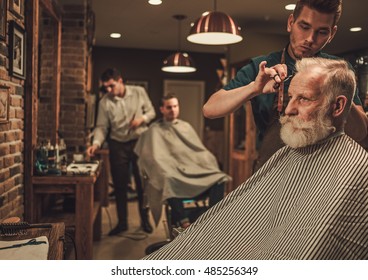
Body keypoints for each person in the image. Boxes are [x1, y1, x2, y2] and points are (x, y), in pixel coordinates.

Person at [144, 57, 368, 260]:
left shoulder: (355, 169)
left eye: (304, 99)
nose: (288, 109)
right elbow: (211, 108)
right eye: (290, 97)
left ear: (338, 106)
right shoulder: (286, 154)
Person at [203, 0, 368, 171]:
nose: (310, 39)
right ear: (291, 23)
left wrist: (339, 88)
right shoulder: (262, 66)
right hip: (270, 171)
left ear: (332, 34)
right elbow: (210, 109)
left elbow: (361, 133)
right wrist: (254, 88)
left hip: (322, 172)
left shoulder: (338, 70)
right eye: (304, 27)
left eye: (322, 32)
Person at [134, 93, 230, 229]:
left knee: (219, 178)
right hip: (171, 172)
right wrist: (166, 167)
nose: (172, 110)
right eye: (168, 107)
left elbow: (199, 151)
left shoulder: (186, 127)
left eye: (175, 106)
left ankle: (212, 217)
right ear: (161, 109)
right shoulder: (154, 130)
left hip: (191, 170)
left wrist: (206, 162)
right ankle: (183, 221)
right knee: (168, 179)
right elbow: (151, 158)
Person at [86, 68, 156, 235]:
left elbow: (152, 112)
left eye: (112, 86)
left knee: (142, 184)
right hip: (118, 144)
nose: (109, 90)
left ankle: (145, 220)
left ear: (120, 81)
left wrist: (141, 120)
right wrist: (96, 144)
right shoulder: (104, 102)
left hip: (139, 141)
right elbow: (102, 127)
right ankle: (122, 223)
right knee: (119, 185)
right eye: (106, 87)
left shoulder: (139, 92)